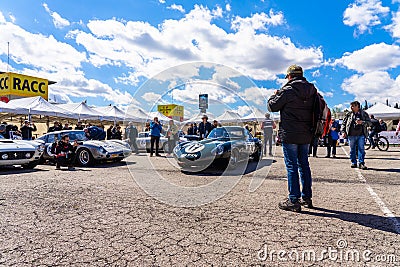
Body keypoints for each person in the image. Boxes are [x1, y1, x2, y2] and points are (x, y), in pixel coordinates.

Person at [268, 64, 316, 212]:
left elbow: (272, 106)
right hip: (306, 133)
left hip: (290, 133)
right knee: (304, 165)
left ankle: (293, 199)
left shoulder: (288, 90)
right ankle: (306, 197)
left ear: (290, 76)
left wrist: (274, 95)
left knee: (291, 166)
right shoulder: (312, 90)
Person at [341, 101, 371, 170]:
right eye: (351, 106)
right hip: (351, 135)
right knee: (352, 150)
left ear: (357, 106)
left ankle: (361, 163)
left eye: (353, 106)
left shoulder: (364, 113)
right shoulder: (348, 114)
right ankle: (353, 162)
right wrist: (343, 131)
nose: (351, 107)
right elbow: (344, 124)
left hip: (361, 135)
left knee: (361, 149)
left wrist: (362, 122)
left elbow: (370, 123)